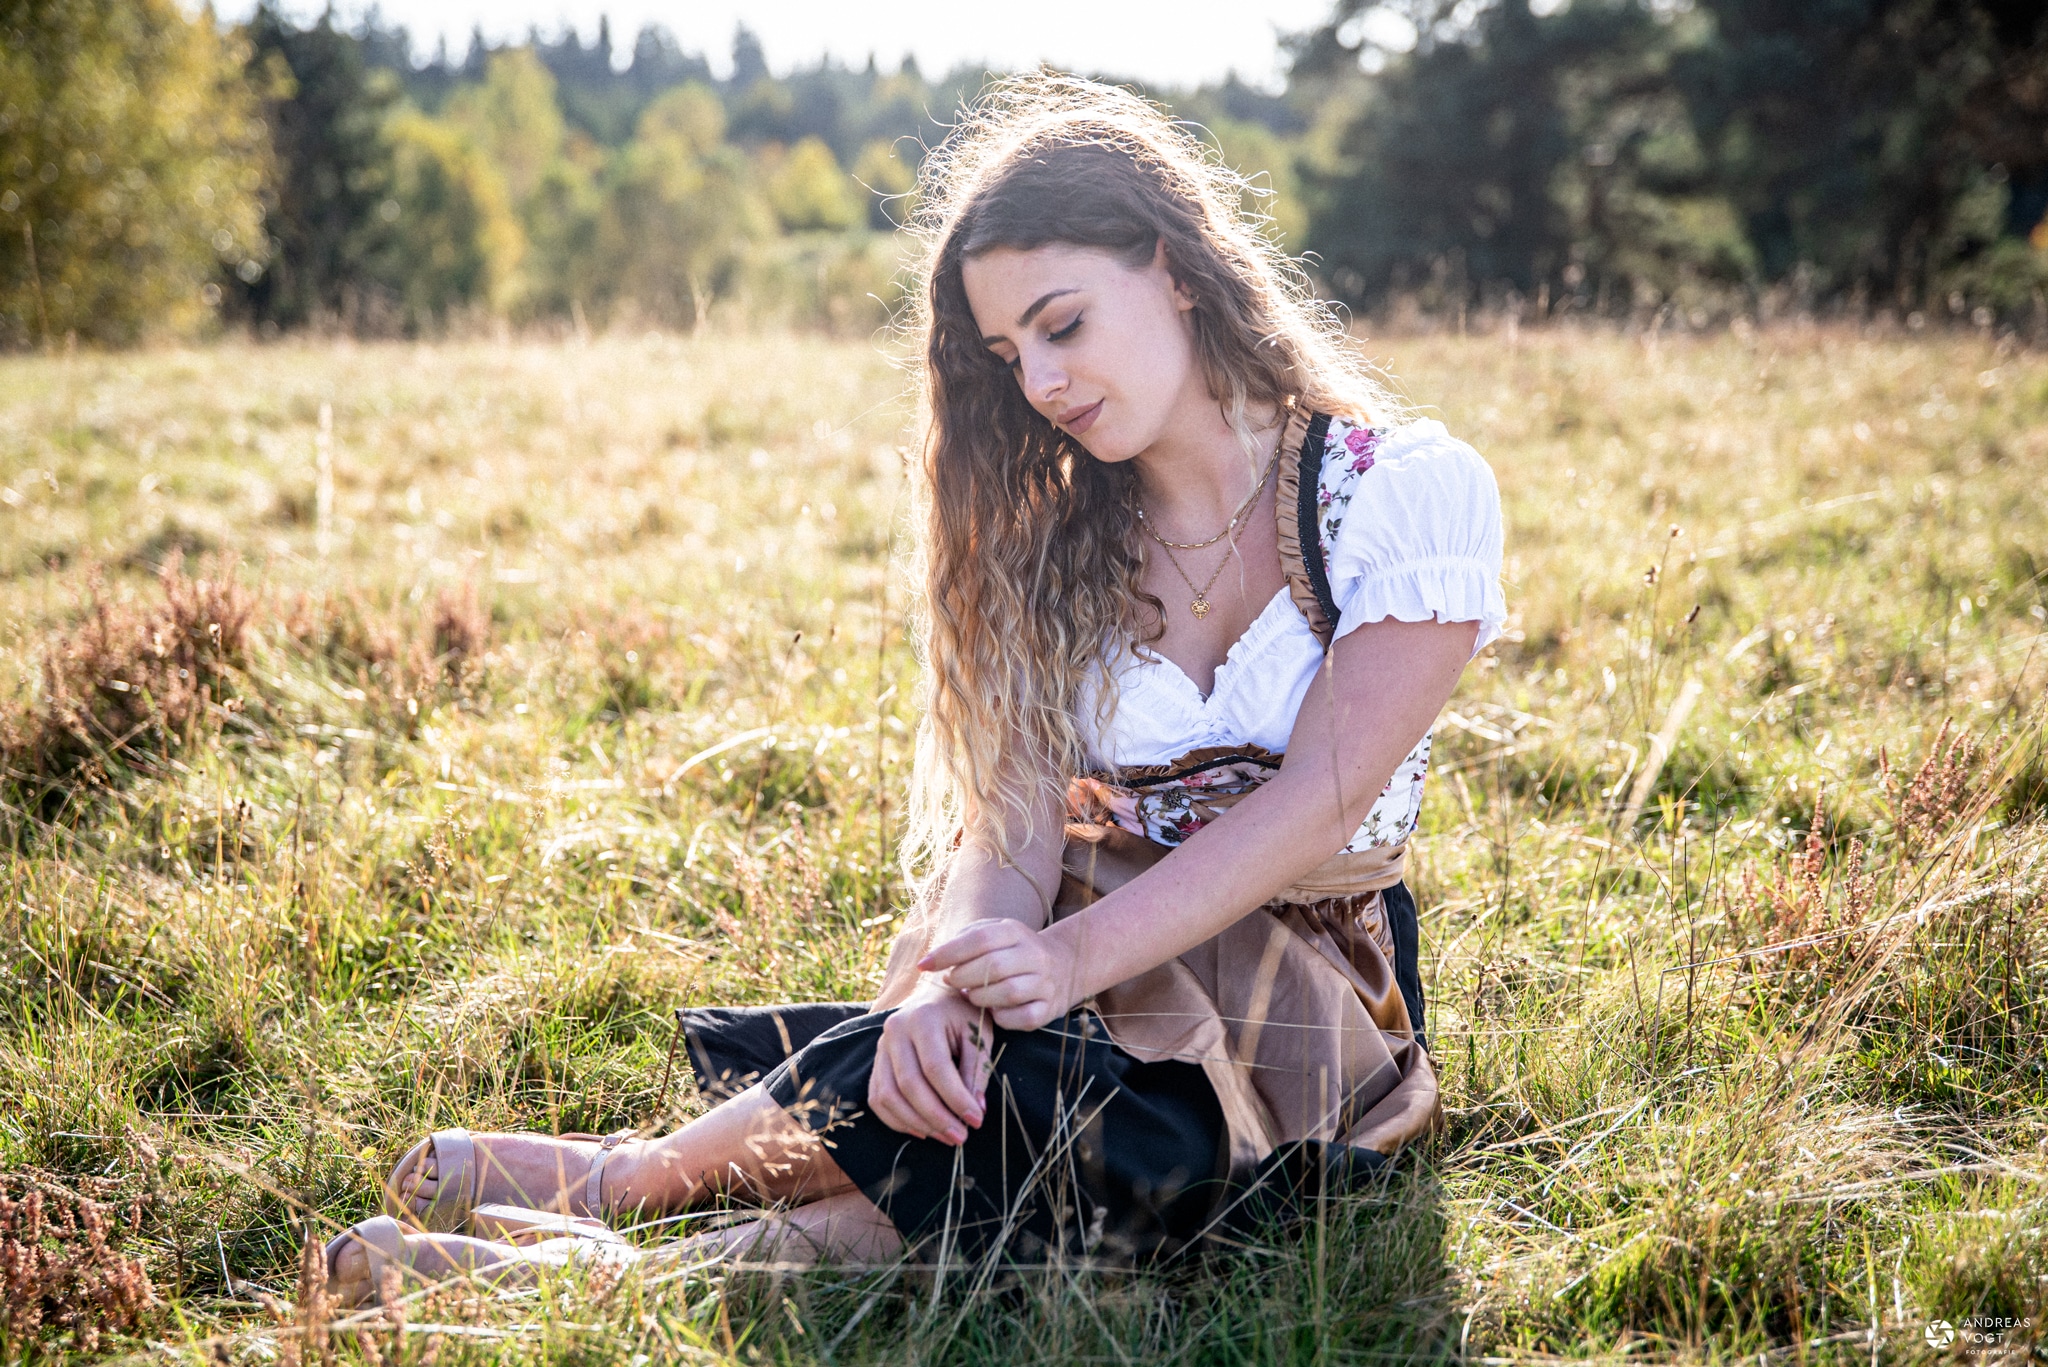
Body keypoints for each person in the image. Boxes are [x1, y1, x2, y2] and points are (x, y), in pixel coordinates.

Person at [323, 73, 1506, 1300]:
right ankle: (638, 1181)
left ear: (1171, 266)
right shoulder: (1051, 536)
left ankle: (595, 1269)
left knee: (1101, 1151)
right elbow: (1012, 830)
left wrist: (1064, 961)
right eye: (1008, 354)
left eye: (1063, 325)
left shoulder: (1396, 491)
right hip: (1075, 942)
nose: (1040, 383)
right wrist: (957, 979)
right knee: (957, 1076)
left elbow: (1316, 795)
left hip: (1299, 996)